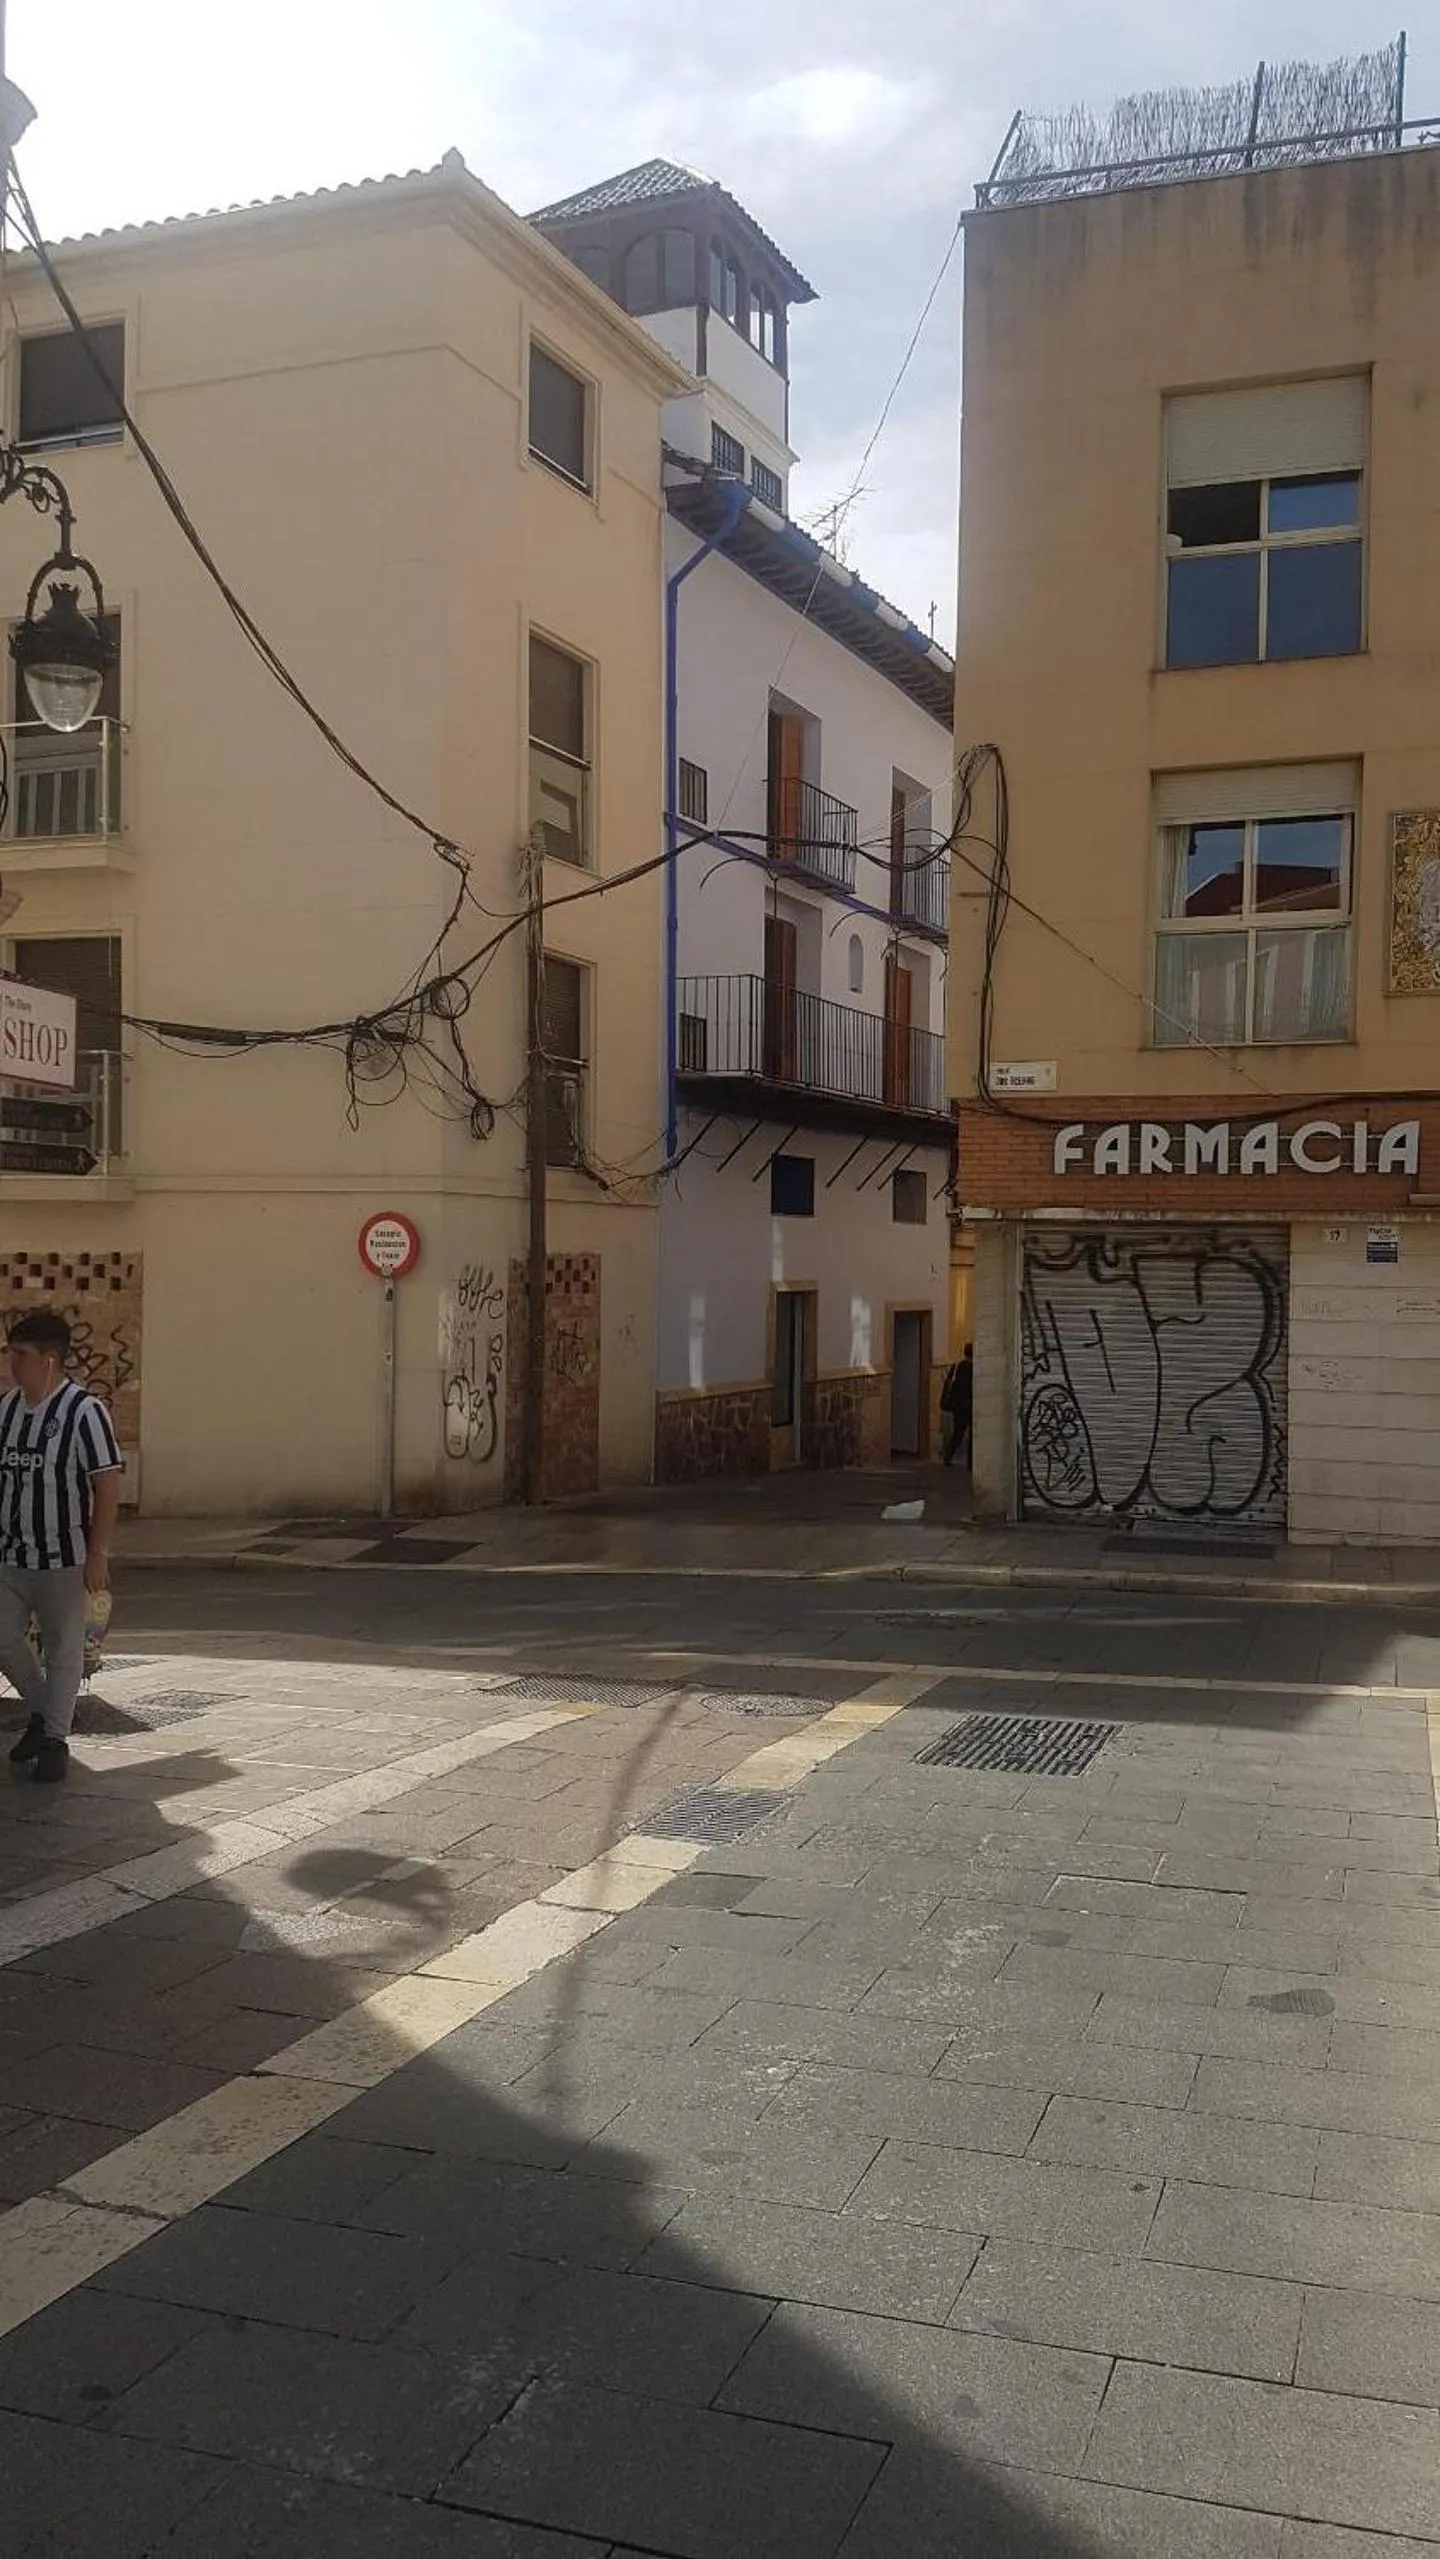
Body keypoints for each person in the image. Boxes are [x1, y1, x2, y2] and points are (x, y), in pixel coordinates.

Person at [0, 1310, 123, 1784]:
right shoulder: (8, 1410)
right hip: (12, 1554)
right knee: (4, 1638)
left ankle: (54, 1739)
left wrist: (98, 1553)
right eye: (11, 1353)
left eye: (22, 1355)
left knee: (64, 1649)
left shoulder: (84, 1412)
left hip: (64, 1557)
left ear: (50, 1360)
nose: (13, 1364)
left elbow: (106, 1484)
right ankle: (47, 1712)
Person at [940, 1342, 974, 1470]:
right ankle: (971, 1463)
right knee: (972, 1435)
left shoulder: (959, 1366)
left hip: (958, 1406)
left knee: (957, 1433)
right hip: (970, 1405)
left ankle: (948, 1456)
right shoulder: (974, 1368)